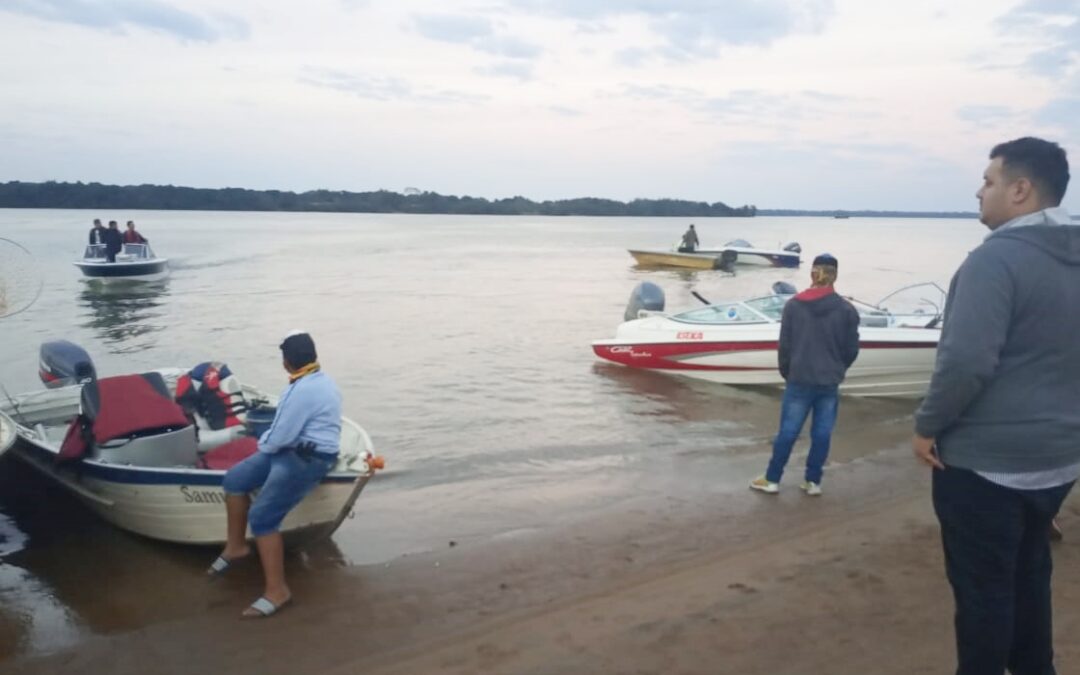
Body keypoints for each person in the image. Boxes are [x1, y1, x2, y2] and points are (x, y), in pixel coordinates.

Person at [912, 136, 1078, 674]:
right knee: (1030, 575)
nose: (979, 191)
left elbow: (965, 361)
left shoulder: (995, 260)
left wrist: (927, 426)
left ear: (1021, 190)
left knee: (983, 596)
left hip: (987, 466)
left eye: (989, 180)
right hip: (1059, 459)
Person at [207, 332, 342, 618]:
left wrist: (263, 443)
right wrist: (269, 445)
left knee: (262, 518)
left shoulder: (301, 390)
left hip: (309, 457)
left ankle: (278, 591)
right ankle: (236, 547)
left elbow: (279, 437)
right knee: (234, 480)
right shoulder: (320, 380)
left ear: (286, 362)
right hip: (292, 448)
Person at [750, 253, 860, 495]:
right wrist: (838, 369)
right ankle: (813, 481)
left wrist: (788, 372)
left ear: (813, 273)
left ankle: (772, 479)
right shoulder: (846, 310)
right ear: (835, 275)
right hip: (829, 381)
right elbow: (851, 349)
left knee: (788, 432)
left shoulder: (794, 306)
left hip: (799, 378)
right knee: (821, 433)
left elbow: (785, 347)